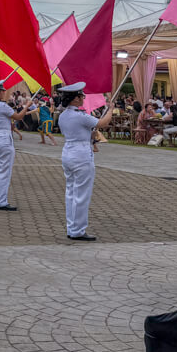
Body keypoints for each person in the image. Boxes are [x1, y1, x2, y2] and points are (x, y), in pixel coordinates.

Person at [58, 83, 114, 241]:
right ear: (75, 99)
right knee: (82, 193)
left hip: (68, 150)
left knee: (71, 191)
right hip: (81, 153)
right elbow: (102, 123)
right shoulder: (79, 115)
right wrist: (110, 109)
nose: (83, 98)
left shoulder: (63, 115)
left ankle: (72, 227)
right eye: (81, 96)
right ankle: (78, 230)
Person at [0, 81, 35, 211]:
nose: (4, 92)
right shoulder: (2, 106)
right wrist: (26, 106)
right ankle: (1, 201)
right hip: (2, 138)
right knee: (4, 171)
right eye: (2, 91)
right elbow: (18, 117)